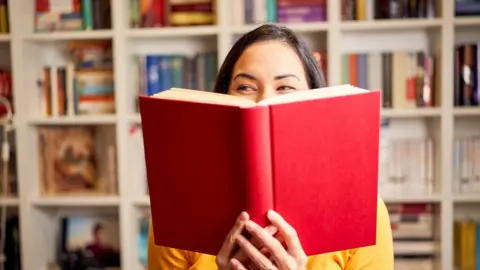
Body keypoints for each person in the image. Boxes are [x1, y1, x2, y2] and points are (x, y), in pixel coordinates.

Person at [148, 24, 394, 270]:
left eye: (285, 87)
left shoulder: (364, 215)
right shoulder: (178, 214)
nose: (264, 100)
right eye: (245, 87)